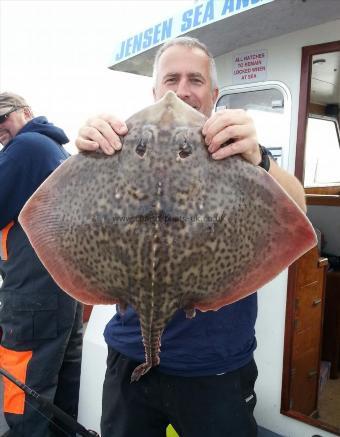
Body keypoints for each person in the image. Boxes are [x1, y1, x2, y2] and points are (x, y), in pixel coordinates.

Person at [76, 37, 306, 437]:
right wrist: (87, 153)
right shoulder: (120, 147)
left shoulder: (240, 151)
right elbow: (61, 214)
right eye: (171, 79)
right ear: (153, 91)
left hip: (215, 366)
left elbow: (298, 213)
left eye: (195, 80)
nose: (181, 91)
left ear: (214, 94)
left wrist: (262, 160)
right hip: (129, 359)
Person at [0, 92, 83, 437]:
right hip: (64, 292)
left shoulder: (27, 146)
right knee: (59, 396)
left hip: (32, 298)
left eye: (2, 117)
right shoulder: (56, 149)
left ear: (27, 113)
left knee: (26, 398)